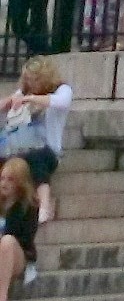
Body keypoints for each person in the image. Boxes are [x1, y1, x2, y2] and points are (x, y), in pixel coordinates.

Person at [1, 59, 71, 240]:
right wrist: (12, 101)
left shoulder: (62, 90)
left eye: (35, 79)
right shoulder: (23, 92)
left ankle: (44, 206)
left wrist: (31, 99)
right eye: (28, 79)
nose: (31, 83)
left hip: (47, 150)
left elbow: (60, 102)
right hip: (19, 149)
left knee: (37, 157)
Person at [0, 155, 38, 301]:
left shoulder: (28, 206)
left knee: (7, 242)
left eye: (10, 179)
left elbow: (25, 239)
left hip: (17, 256)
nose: (4, 183)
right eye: (2, 178)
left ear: (20, 183)